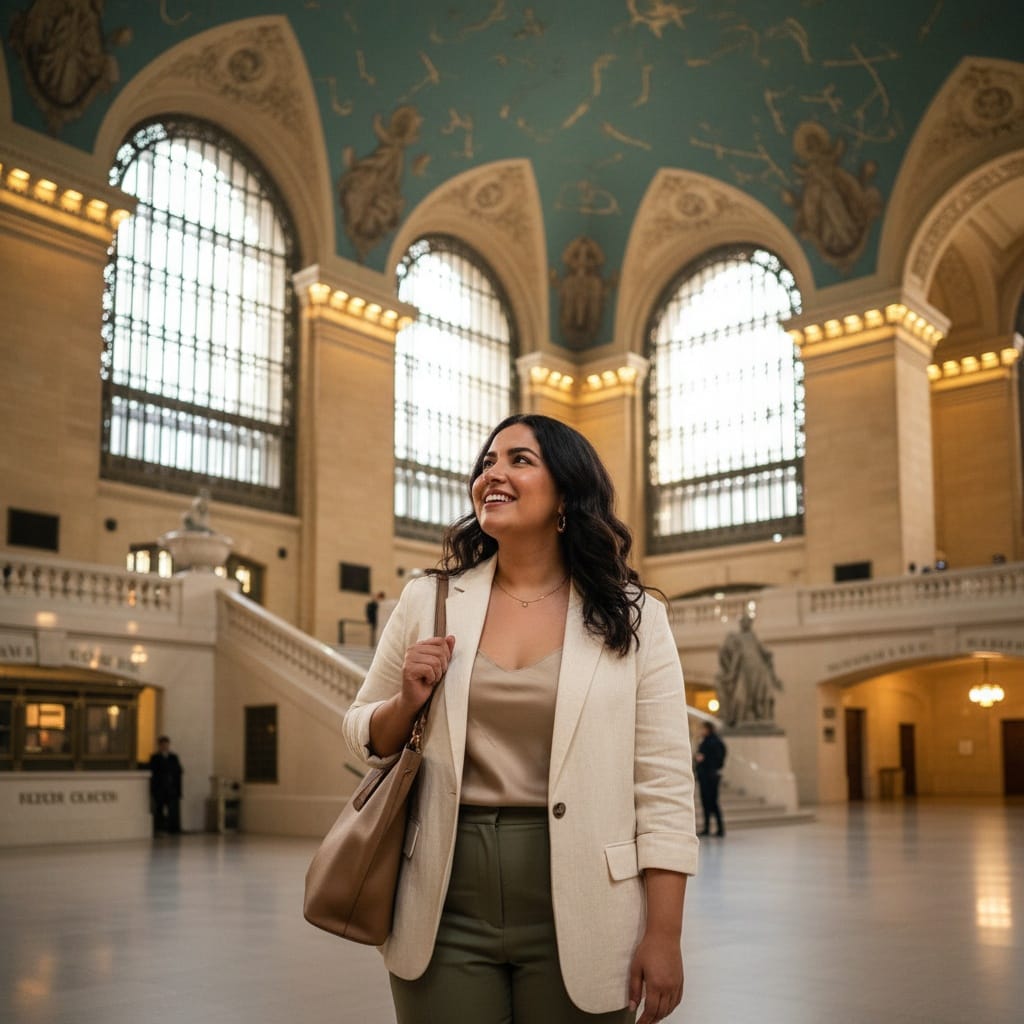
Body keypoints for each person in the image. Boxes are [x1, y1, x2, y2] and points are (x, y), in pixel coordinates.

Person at [343, 414, 699, 1024]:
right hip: (441, 899)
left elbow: (664, 784)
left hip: (586, 902)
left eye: (519, 460)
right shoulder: (427, 600)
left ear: (566, 491)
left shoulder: (634, 618)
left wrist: (664, 935)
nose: (493, 474)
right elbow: (360, 734)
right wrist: (406, 701)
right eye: (487, 461)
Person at [694, 722, 727, 837]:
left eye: (703, 728)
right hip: (704, 775)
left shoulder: (714, 741)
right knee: (705, 803)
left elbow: (718, 758)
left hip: (710, 776)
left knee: (712, 802)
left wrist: (704, 759)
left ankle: (720, 828)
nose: (701, 730)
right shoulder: (706, 740)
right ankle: (707, 827)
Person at [148, 735, 183, 836]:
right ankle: (159, 829)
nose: (165, 746)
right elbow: (153, 773)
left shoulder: (173, 757)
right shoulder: (154, 758)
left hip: (171, 788)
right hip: (160, 788)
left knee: (173, 810)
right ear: (159, 746)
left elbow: (178, 771)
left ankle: (173, 829)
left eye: (166, 744)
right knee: (159, 809)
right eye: (163, 744)